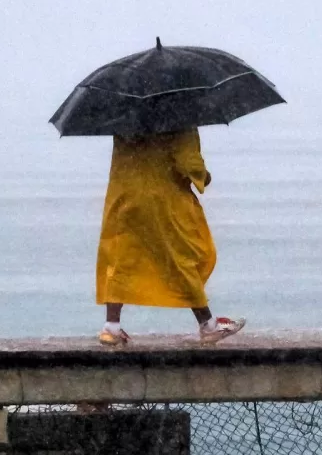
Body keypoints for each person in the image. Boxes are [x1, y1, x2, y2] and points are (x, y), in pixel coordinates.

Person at [95, 128, 245, 346]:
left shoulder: (124, 118)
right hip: (164, 197)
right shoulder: (177, 114)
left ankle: (111, 327)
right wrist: (204, 176)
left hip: (124, 197)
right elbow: (188, 163)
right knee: (183, 257)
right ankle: (208, 325)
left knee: (120, 258)